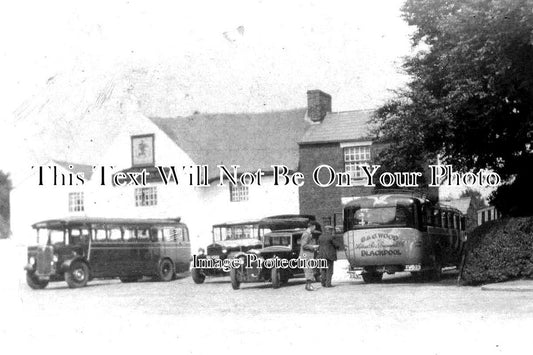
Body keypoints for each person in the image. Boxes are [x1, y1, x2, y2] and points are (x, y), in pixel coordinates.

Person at [300, 220, 320, 291]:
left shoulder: (308, 234)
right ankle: (309, 286)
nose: (314, 229)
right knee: (308, 270)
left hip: (308, 255)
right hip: (306, 256)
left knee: (309, 270)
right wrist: (313, 247)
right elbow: (304, 245)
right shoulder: (306, 234)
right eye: (314, 227)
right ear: (313, 226)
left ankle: (308, 285)